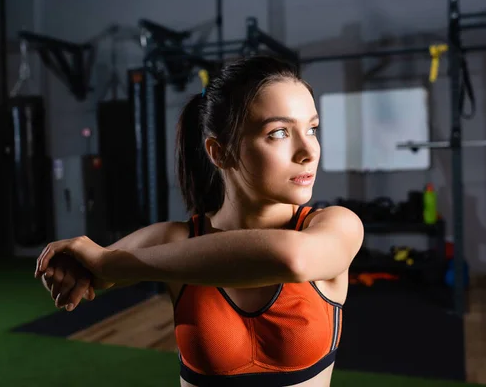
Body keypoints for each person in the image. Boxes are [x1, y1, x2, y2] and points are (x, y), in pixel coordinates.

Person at [34, 55, 364, 387]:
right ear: (219, 152)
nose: (309, 150)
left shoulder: (336, 227)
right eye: (278, 133)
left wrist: (118, 264)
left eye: (312, 128)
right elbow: (90, 272)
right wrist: (67, 269)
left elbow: (292, 258)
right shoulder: (173, 242)